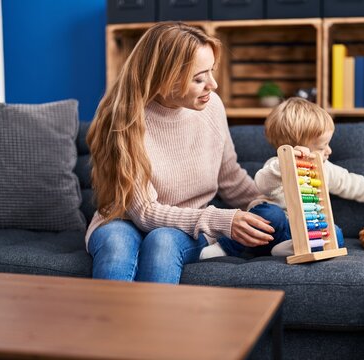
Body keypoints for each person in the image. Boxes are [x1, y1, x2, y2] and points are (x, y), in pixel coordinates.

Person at [85, 22, 276, 283]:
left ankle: (158, 325)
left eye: (211, 71)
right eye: (199, 78)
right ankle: (109, 324)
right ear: (165, 78)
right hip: (124, 219)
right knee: (116, 245)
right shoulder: (124, 119)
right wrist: (221, 219)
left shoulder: (212, 107)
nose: (214, 84)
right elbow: (145, 213)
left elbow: (230, 179)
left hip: (183, 226)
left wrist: (276, 207)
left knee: (162, 241)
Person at [200, 97, 364, 259]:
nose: (329, 151)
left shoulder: (324, 168)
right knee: (270, 213)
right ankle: (226, 248)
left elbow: (355, 184)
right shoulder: (276, 165)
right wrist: (284, 162)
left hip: (301, 234)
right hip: (268, 234)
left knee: (335, 233)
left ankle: (291, 248)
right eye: (322, 146)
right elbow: (261, 183)